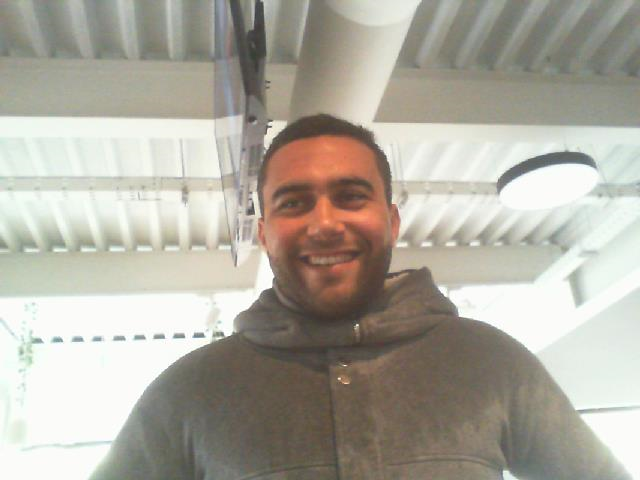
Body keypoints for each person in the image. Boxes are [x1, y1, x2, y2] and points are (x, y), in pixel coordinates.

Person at [91, 114, 630, 479]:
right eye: (294, 203)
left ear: (391, 222)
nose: (325, 224)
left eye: (350, 196)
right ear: (265, 234)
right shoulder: (189, 393)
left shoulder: (493, 363)